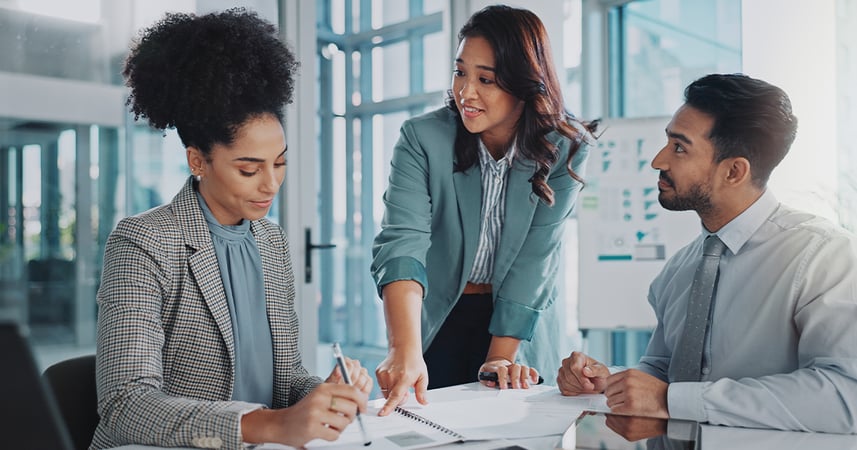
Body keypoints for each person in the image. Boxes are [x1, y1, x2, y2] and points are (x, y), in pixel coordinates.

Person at [91, 9, 372, 449]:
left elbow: (287, 376)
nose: (271, 183)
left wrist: (322, 392)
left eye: (279, 163)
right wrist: (270, 426)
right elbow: (127, 402)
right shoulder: (143, 243)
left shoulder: (271, 242)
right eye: (248, 169)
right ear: (198, 160)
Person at [557, 73, 857, 434]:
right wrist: (608, 381)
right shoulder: (680, 269)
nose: (658, 161)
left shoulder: (823, 257)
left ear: (734, 171)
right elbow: (663, 371)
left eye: (679, 148)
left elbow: (846, 396)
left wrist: (673, 400)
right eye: (667, 142)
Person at [372, 4, 597, 416]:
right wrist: (402, 349)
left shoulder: (566, 147)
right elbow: (402, 242)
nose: (466, 92)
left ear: (525, 85)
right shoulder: (422, 138)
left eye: (486, 80)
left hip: (517, 323)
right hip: (437, 314)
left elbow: (537, 257)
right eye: (461, 72)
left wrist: (500, 358)